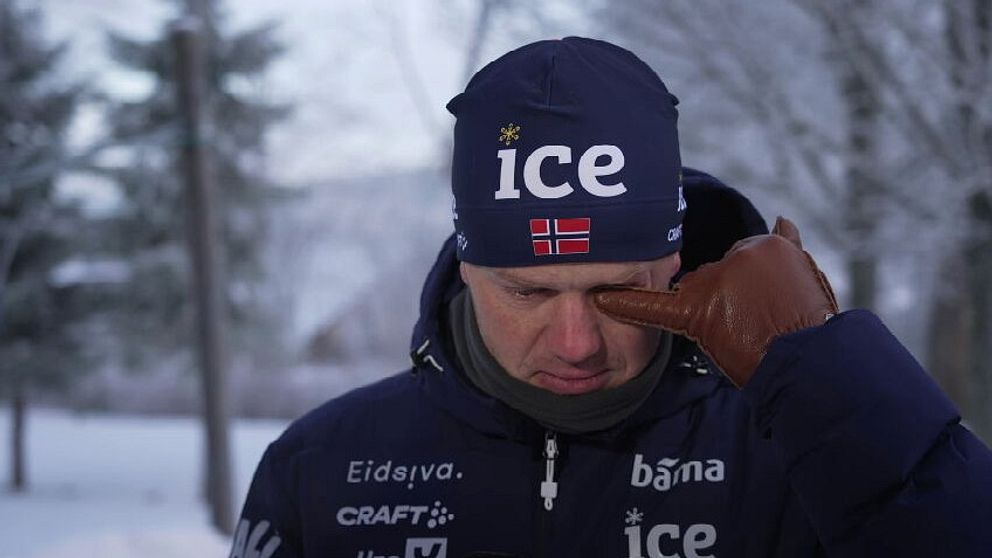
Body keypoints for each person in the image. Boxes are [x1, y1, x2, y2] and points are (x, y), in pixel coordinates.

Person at [229, 37, 992, 558]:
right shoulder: (322, 468)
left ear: (673, 260)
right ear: (469, 267)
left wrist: (829, 377)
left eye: (616, 290)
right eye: (527, 291)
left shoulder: (804, 449)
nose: (576, 343)